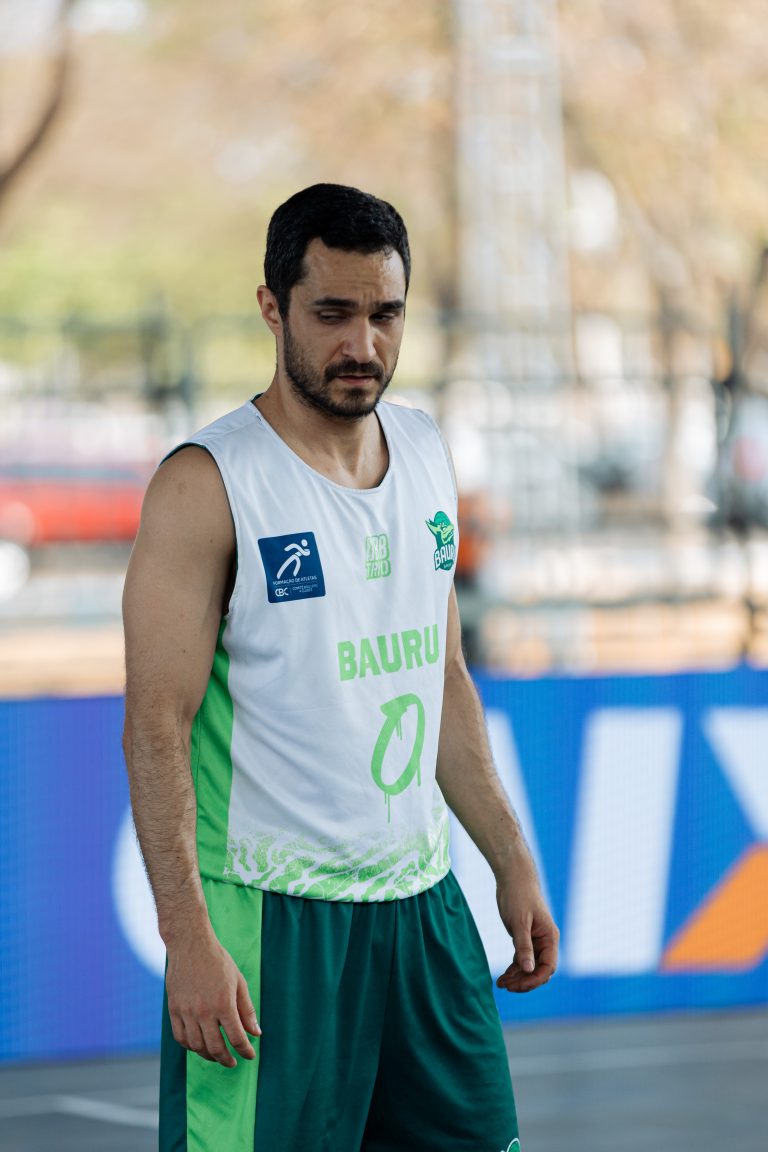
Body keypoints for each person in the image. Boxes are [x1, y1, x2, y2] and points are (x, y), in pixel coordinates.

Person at [122, 183, 558, 1152]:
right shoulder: (207, 483)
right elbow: (155, 722)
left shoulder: (428, 451)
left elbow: (442, 677)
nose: (363, 343)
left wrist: (511, 858)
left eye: (385, 314)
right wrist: (188, 937)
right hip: (274, 925)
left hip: (423, 910)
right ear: (272, 308)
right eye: (332, 314)